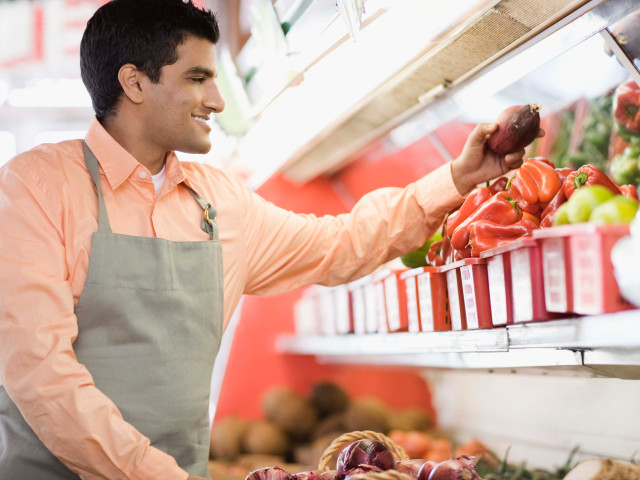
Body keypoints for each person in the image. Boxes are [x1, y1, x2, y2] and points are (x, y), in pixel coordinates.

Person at [0, 0, 534, 479]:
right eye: (197, 78)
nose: (216, 100)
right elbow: (40, 370)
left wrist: (458, 179)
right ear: (135, 83)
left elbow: (340, 244)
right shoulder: (38, 188)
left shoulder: (218, 201)